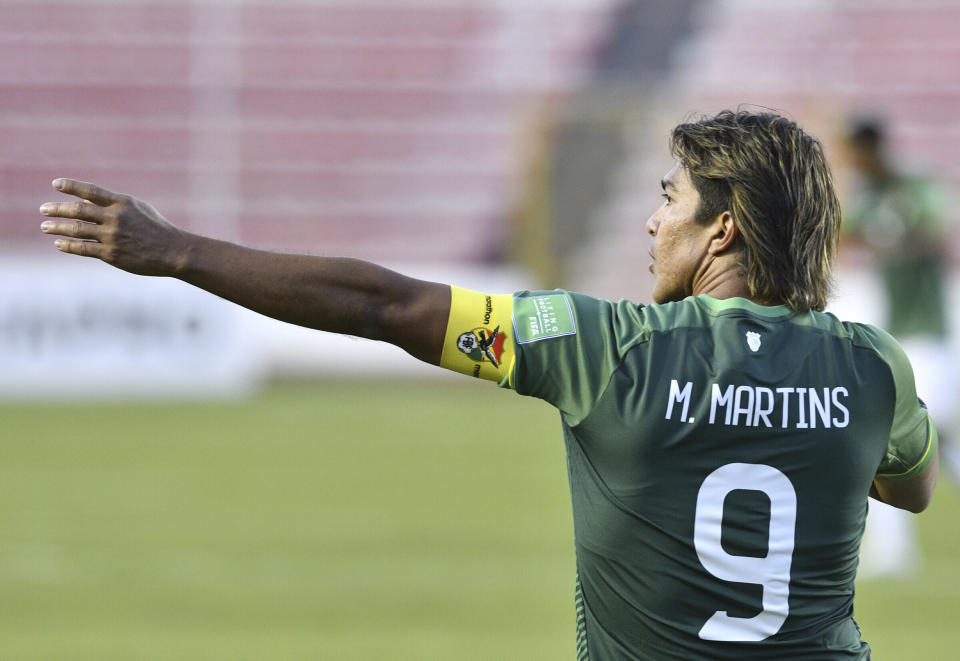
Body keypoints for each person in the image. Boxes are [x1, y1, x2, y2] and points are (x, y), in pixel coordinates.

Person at [38, 109, 937, 659]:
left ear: (722, 231)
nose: (653, 217)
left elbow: (384, 304)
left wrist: (176, 251)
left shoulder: (601, 345)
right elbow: (910, 485)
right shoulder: (871, 367)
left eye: (671, 196)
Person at [842, 118, 955, 579]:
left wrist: (897, 233)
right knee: (936, 441)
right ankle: (892, 550)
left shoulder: (912, 187)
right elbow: (836, 233)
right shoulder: (867, 197)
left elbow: (940, 228)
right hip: (900, 335)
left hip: (929, 334)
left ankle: (893, 554)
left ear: (868, 149)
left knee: (894, 436)